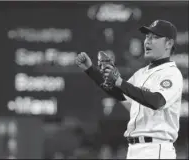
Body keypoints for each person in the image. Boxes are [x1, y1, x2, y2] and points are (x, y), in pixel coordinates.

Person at [75, 20, 183, 159]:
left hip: (156, 148)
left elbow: (157, 101)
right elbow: (119, 94)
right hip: (134, 149)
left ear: (169, 44)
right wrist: (91, 70)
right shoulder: (141, 73)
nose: (148, 41)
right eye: (147, 36)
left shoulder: (171, 73)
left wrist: (119, 81)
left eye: (155, 37)